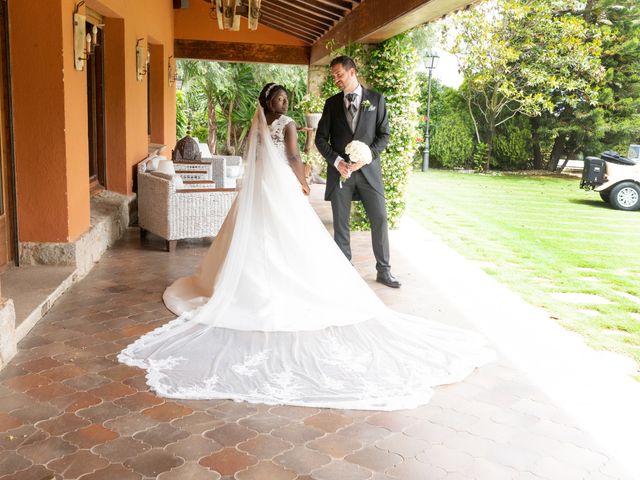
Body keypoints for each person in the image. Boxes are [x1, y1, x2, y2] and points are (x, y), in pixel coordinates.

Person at [118, 83, 494, 411]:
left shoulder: (258, 123)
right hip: (278, 186)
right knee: (288, 238)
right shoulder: (287, 124)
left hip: (258, 188)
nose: (285, 103)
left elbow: (254, 155)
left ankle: (250, 286)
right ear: (272, 102)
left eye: (285, 99)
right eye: (280, 98)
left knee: (257, 237)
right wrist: (301, 181)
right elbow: (295, 156)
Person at [315, 55, 399, 288]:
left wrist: (367, 157)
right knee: (341, 223)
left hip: (369, 172)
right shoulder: (331, 104)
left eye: (339, 74)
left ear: (352, 72)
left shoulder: (376, 99)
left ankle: (384, 270)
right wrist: (337, 161)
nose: (336, 80)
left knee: (380, 219)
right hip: (341, 174)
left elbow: (384, 135)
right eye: (333, 76)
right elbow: (321, 140)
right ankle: (344, 270)